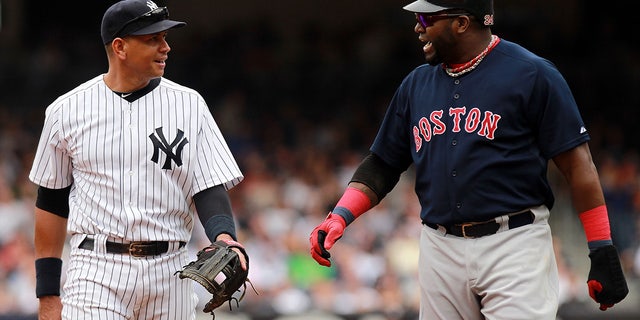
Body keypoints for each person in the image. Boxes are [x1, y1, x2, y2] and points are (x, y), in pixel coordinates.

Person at [309, 0, 629, 319]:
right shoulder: (416, 85)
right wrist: (339, 216)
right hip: (440, 245)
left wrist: (600, 246)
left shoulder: (532, 74)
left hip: (514, 243)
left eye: (426, 18)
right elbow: (383, 163)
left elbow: (578, 166)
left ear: (461, 23)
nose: (418, 27)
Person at [28, 0, 246, 319]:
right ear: (120, 47)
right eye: (152, 39)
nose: (165, 47)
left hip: (171, 270)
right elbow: (51, 202)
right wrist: (48, 296)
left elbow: (208, 185)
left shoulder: (190, 105)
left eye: (165, 38)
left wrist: (224, 235)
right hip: (96, 271)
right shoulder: (66, 111)